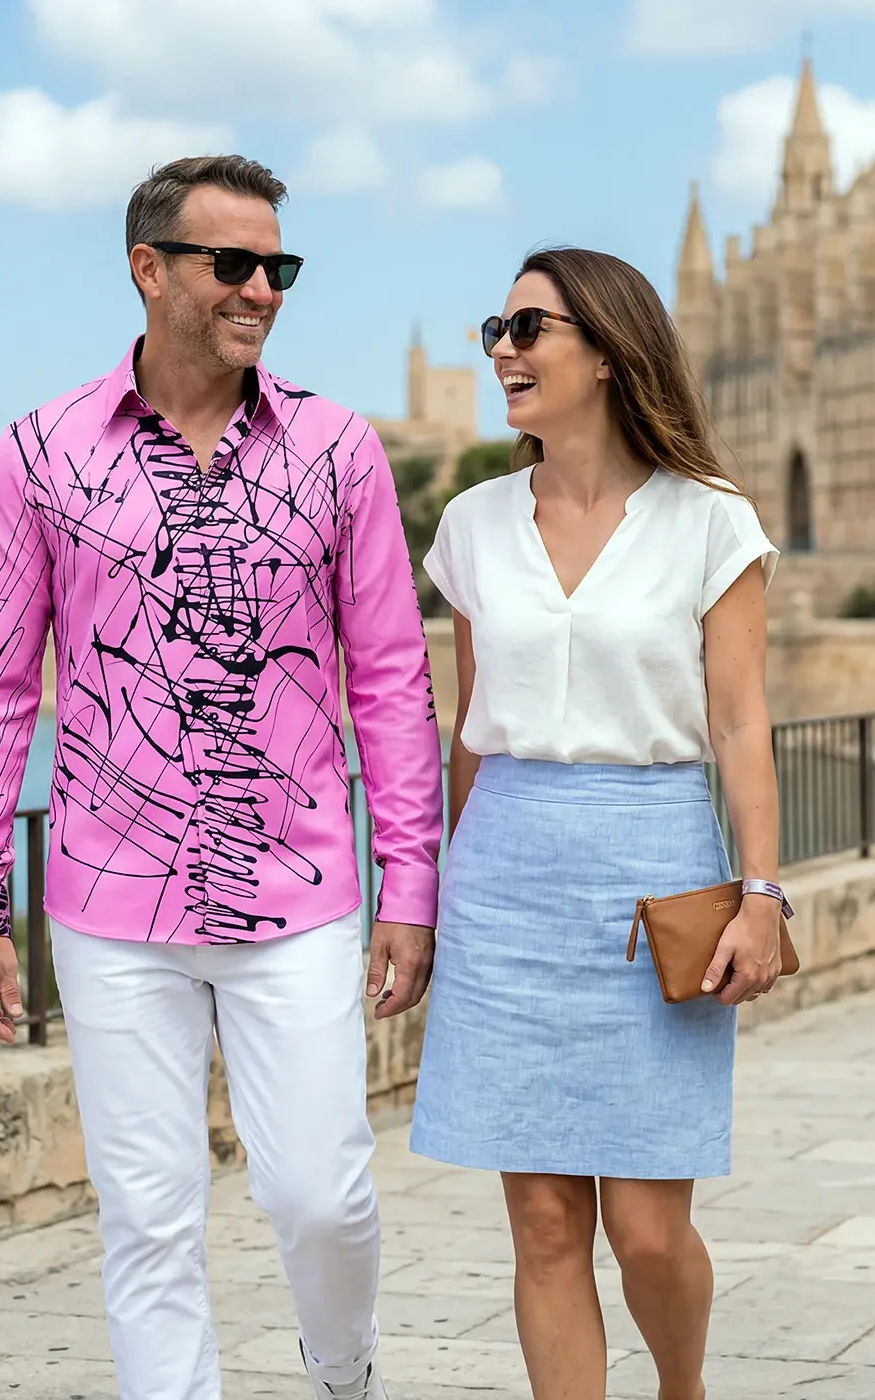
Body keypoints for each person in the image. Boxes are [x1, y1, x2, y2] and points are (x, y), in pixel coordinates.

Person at [0, 155, 443, 1400]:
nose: (262, 288)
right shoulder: (38, 453)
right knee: (148, 1212)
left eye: (279, 265)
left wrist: (411, 883)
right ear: (147, 267)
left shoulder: (338, 450)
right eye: (233, 262)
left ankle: (345, 1372)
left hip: (302, 888)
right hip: (110, 902)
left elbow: (388, 677)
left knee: (318, 1193)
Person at [409, 247, 783, 1400]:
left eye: (530, 327)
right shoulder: (472, 524)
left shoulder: (709, 519)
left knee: (649, 1228)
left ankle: (683, 1386)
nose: (504, 350)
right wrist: (428, 900)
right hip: (506, 879)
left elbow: (736, 724)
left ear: (611, 352)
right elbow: (469, 728)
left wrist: (761, 893)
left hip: (653, 873)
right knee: (542, 1222)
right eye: (496, 328)